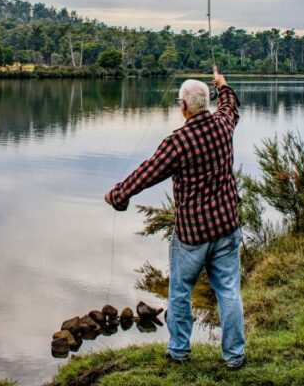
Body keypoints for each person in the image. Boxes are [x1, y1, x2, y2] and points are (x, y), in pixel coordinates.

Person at [104, 66, 245, 370]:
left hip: (193, 234)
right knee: (229, 292)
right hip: (226, 226)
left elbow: (148, 172)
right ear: (204, 103)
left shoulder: (178, 142)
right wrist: (222, 84)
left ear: (183, 106)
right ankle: (234, 356)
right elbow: (230, 105)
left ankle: (179, 350)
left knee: (180, 291)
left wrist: (118, 195)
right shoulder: (223, 124)